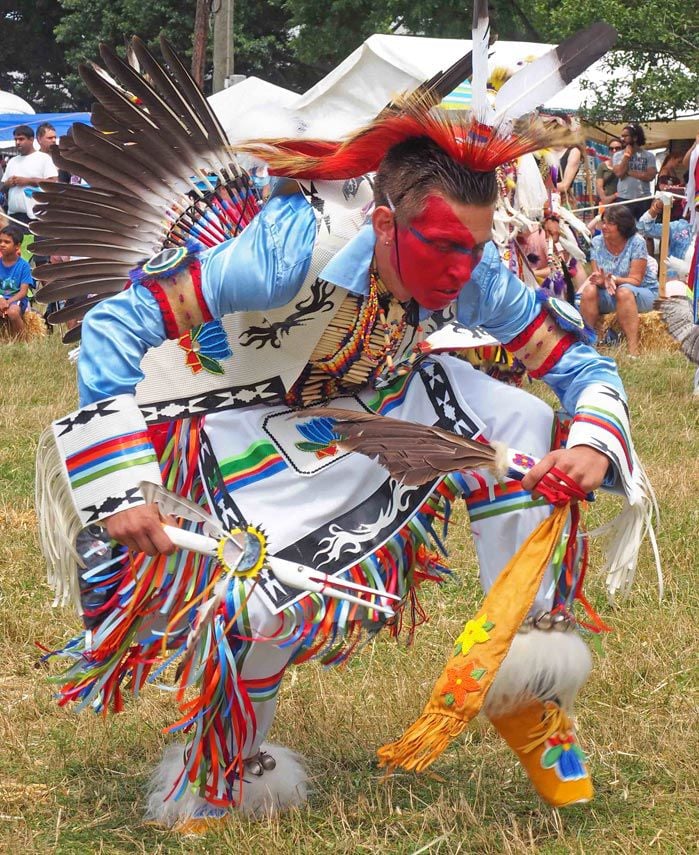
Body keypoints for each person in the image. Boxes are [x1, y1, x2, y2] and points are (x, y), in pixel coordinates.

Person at [35, 29, 647, 831]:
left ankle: (522, 679)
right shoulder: (286, 253)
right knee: (260, 599)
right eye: (445, 248)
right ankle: (224, 760)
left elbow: (581, 365)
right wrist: (118, 484)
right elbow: (119, 325)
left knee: (525, 419)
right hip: (232, 414)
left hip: (370, 401)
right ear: (385, 224)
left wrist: (592, 441)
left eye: (472, 247)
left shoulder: (472, 266)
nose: (463, 271)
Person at [578, 205, 658, 356]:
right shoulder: (596, 242)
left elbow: (636, 280)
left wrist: (613, 279)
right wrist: (601, 280)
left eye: (609, 223)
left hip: (642, 292)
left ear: (622, 226)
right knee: (589, 290)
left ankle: (633, 351)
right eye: (603, 222)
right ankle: (587, 346)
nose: (604, 226)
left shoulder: (637, 242)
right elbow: (597, 276)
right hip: (610, 292)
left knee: (624, 291)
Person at [0, 125, 58, 232]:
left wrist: (28, 181)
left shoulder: (43, 158)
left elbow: (53, 182)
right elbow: (3, 187)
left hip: (36, 216)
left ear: (31, 140)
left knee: (33, 247)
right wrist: (8, 183)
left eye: (21, 139)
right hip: (14, 216)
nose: (18, 142)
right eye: (16, 139)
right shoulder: (12, 161)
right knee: (18, 247)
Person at [611, 124, 657, 220]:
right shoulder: (618, 155)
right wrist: (627, 155)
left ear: (635, 138)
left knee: (644, 228)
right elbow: (619, 173)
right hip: (624, 198)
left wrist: (628, 172)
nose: (622, 139)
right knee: (624, 228)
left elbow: (650, 176)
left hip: (643, 199)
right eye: (621, 136)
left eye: (625, 136)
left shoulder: (649, 155)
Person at [0, 224, 33, 338]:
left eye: (7, 242)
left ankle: (22, 341)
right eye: (0, 241)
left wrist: (7, 302)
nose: (2, 244)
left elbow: (23, 292)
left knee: (13, 312)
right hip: (1, 298)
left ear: (17, 246)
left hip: (16, 300)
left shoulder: (23, 266)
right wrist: (1, 299)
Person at [656, 150, 687, 221]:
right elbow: (662, 187)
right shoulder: (665, 171)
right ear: (672, 158)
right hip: (668, 202)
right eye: (678, 162)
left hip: (674, 203)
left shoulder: (672, 171)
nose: (679, 165)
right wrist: (678, 188)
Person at [595, 139, 621, 205]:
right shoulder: (602, 166)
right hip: (607, 203)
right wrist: (613, 196)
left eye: (617, 148)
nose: (614, 150)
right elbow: (599, 187)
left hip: (623, 202)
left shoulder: (626, 166)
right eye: (611, 148)